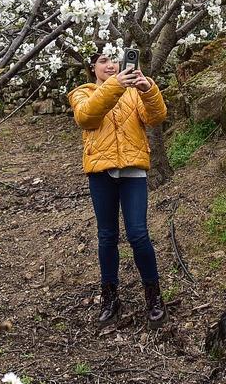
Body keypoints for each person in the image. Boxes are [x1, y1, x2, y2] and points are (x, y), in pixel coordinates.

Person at [67, 48, 169, 328]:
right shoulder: (83, 93)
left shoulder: (133, 92)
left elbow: (156, 117)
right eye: (103, 61)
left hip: (133, 171)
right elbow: (86, 117)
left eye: (114, 59)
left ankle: (153, 295)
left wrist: (148, 89)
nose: (110, 65)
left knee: (138, 234)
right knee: (107, 236)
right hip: (101, 173)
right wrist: (116, 85)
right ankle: (110, 296)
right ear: (92, 67)